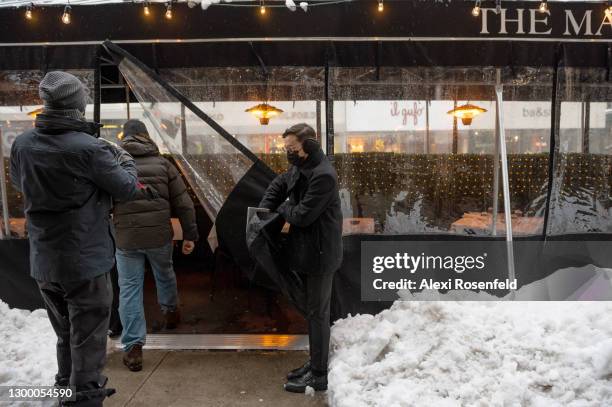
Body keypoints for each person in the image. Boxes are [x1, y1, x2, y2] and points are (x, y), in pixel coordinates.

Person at [10, 71, 156, 406]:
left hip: (44, 263)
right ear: (77, 105)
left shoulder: (22, 144)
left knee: (65, 337)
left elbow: (22, 185)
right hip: (85, 263)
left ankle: (65, 394)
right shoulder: (90, 149)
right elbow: (129, 189)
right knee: (88, 344)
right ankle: (85, 400)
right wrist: (125, 159)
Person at [258, 123, 343, 393]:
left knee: (318, 314)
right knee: (312, 312)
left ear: (307, 147)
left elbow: (303, 215)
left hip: (321, 254)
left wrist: (283, 208)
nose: (289, 154)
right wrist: (266, 205)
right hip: (307, 251)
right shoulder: (301, 166)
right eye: (287, 149)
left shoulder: (324, 175)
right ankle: (314, 361)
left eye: (292, 149)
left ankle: (319, 375)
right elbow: (280, 182)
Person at [113, 119, 198, 372]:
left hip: (126, 238)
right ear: (146, 137)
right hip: (160, 236)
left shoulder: (114, 164)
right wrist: (191, 235)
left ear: (124, 138)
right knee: (164, 274)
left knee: (129, 289)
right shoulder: (163, 164)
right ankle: (171, 312)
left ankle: (133, 348)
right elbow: (184, 203)